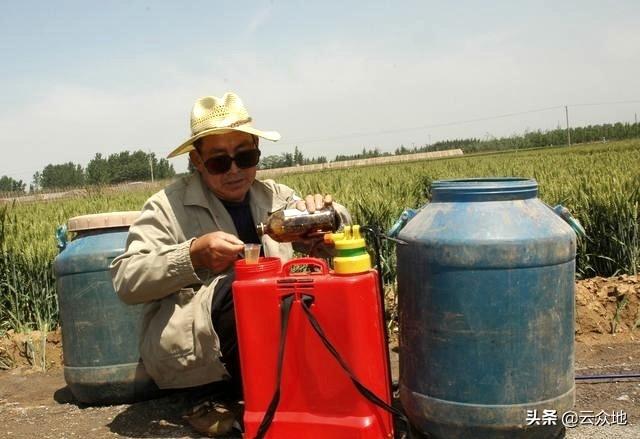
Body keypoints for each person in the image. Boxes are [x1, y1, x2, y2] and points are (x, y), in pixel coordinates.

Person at [110, 92, 350, 436]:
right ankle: (205, 396)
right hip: (198, 350)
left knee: (310, 286)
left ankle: (285, 382)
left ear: (257, 152)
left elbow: (340, 220)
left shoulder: (276, 197)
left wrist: (328, 218)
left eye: (246, 157)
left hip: (269, 336)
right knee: (239, 289)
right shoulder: (166, 206)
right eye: (220, 162)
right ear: (197, 161)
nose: (235, 170)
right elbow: (126, 280)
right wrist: (191, 255)